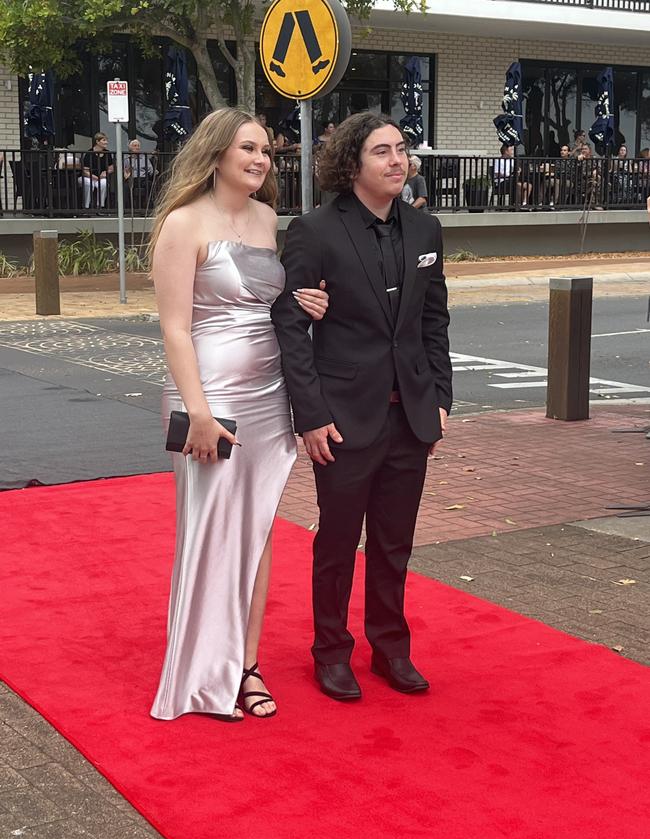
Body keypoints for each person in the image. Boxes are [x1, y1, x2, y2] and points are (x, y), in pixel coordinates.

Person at [148, 108, 329, 722]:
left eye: (267, 151)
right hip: (210, 401)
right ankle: (200, 671)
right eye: (247, 148)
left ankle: (246, 665)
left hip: (270, 397)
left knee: (257, 530)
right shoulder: (182, 223)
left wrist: (305, 301)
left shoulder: (267, 218)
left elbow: (270, 305)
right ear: (216, 154)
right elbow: (175, 329)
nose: (260, 160)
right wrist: (197, 412)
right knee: (207, 530)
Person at [271, 113, 453, 702]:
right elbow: (292, 327)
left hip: (411, 415)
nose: (397, 161)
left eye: (402, 150)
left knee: (395, 542)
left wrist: (441, 398)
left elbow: (434, 321)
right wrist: (311, 414)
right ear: (353, 164)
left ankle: (391, 649)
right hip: (343, 418)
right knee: (338, 540)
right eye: (383, 152)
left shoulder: (426, 230)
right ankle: (330, 651)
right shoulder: (314, 231)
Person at [80, 132, 114, 209]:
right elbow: (85, 171)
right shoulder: (89, 153)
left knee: (104, 184)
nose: (106, 142)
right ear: (97, 142)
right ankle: (86, 206)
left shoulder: (107, 153)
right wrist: (92, 176)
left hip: (100, 178)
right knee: (89, 184)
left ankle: (100, 206)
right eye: (104, 140)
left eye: (106, 140)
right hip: (88, 177)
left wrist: (106, 172)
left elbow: (111, 168)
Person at [493, 143, 531, 208]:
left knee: (528, 185)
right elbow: (497, 173)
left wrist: (518, 171)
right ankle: (517, 204)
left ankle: (524, 203)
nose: (512, 152)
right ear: (506, 151)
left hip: (512, 180)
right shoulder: (498, 160)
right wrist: (507, 175)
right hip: (502, 182)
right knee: (518, 185)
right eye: (510, 150)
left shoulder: (512, 160)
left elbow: (516, 169)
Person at [123, 139, 155, 208]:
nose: (137, 147)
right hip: (131, 179)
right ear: (130, 148)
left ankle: (147, 207)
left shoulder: (144, 158)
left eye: (138, 146)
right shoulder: (126, 159)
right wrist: (126, 173)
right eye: (135, 146)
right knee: (125, 186)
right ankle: (127, 208)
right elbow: (124, 171)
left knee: (149, 184)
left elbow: (151, 171)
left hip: (143, 179)